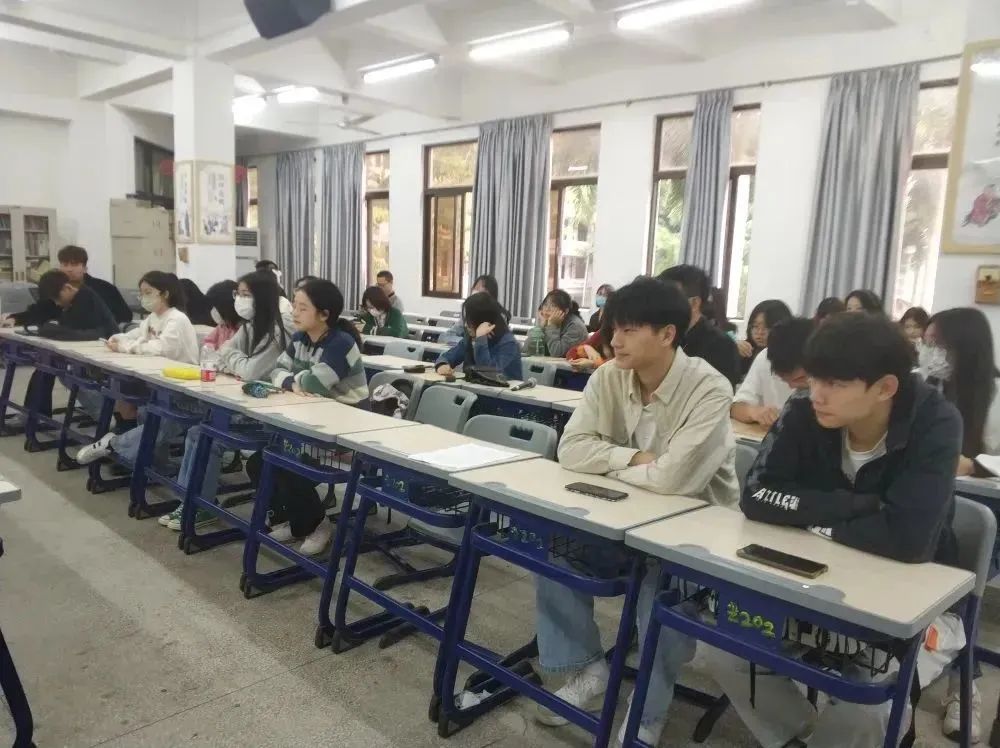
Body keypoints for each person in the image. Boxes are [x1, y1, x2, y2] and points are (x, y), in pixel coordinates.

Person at [707, 312, 961, 748]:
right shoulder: (804, 408)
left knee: (868, 705)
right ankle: (800, 735)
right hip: (811, 578)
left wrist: (807, 516)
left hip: (910, 598)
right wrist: (861, 506)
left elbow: (908, 540)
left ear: (885, 388)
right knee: (721, 648)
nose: (817, 394)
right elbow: (757, 497)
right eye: (814, 378)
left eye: (836, 384)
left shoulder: (935, 423)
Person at [534, 277, 737, 746]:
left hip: (696, 532)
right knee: (554, 547)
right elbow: (571, 449)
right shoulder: (609, 376)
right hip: (624, 517)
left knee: (658, 589)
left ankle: (648, 711)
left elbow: (674, 482)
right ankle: (589, 669)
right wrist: (635, 458)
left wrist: (610, 461)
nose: (615, 340)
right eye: (613, 328)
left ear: (667, 334)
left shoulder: (709, 388)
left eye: (628, 330)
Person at [160, 271, 295, 532]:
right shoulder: (251, 325)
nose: (239, 300)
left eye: (245, 295)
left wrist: (237, 364)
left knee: (207, 437)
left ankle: (200, 505)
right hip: (248, 405)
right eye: (238, 294)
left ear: (262, 297)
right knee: (197, 432)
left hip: (270, 418)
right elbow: (222, 354)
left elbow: (251, 371)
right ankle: (189, 501)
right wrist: (238, 363)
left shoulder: (280, 329)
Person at [248, 279, 369, 556]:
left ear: (324, 314)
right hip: (311, 423)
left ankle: (318, 524)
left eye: (303, 308)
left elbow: (315, 384)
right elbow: (276, 372)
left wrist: (294, 380)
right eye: (295, 306)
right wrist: (294, 381)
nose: (295, 313)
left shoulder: (341, 343)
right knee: (261, 462)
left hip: (346, 431)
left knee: (288, 462)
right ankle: (296, 522)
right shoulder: (300, 339)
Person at [75, 271, 199, 466]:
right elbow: (134, 336)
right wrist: (116, 339)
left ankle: (115, 445)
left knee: (162, 421)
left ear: (165, 294)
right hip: (158, 382)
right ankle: (149, 461)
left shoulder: (177, 319)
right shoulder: (153, 318)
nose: (143, 298)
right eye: (141, 293)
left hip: (182, 386)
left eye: (148, 292)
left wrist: (126, 347)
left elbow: (160, 348)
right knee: (146, 411)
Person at [22, 270, 120, 419]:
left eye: (57, 298)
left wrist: (54, 331)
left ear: (67, 288)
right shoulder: (73, 301)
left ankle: (105, 416)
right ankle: (34, 414)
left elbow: (94, 333)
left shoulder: (85, 299)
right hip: (86, 351)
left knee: (65, 371)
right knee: (47, 363)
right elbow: (68, 329)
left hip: (103, 353)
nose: (57, 303)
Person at [657, 265, 741, 390]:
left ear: (694, 303)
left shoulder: (721, 345)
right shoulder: (659, 337)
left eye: (669, 300)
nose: (660, 307)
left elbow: (719, 394)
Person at [6, 245, 131, 327]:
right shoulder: (54, 287)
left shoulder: (104, 288)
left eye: (74, 264)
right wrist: (15, 319)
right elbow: (39, 311)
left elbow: (125, 315)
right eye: (65, 265)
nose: (69, 269)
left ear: (84, 268)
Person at [731, 317, 813, 427]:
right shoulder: (765, 359)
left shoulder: (827, 371)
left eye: (800, 378)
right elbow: (735, 407)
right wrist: (755, 412)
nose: (791, 386)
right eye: (782, 378)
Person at [434, 293, 523, 381]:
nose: (465, 325)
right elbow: (448, 356)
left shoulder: (508, 344)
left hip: (500, 389)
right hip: (475, 388)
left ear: (482, 321)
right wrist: (442, 364)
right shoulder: (470, 338)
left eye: (469, 321)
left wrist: (480, 339)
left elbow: (488, 374)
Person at [738, 300, 792, 377]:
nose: (760, 332)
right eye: (755, 326)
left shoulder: (790, 358)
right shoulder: (746, 349)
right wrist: (733, 350)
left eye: (767, 327)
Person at [538, 289, 588, 357]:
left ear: (566, 311)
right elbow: (527, 350)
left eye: (553, 305)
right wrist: (541, 327)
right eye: (546, 304)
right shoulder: (548, 321)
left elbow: (557, 353)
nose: (547, 309)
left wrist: (552, 326)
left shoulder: (575, 327)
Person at [202, 280, 240, 351]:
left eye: (215, 307)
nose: (213, 311)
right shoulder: (222, 327)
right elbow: (209, 340)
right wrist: (209, 347)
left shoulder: (243, 329)